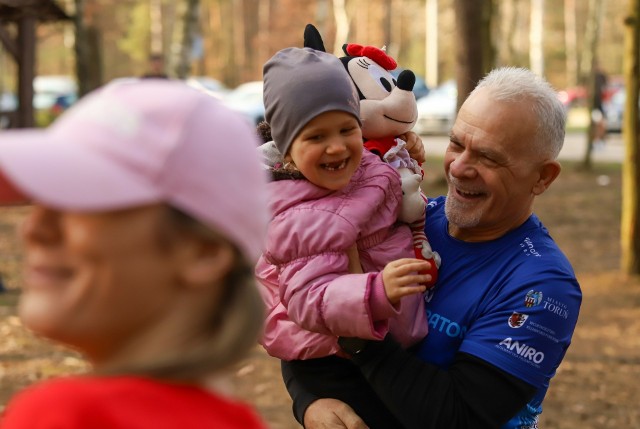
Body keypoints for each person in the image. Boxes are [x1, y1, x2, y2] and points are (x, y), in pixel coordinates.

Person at [282, 67, 583, 429]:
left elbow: (459, 416)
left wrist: (357, 326)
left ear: (542, 177)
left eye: (488, 157)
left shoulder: (542, 285)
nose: (459, 167)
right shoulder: (402, 220)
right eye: (457, 144)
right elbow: (302, 313)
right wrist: (310, 400)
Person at [0, 79, 270, 428]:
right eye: (43, 200)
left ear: (203, 252)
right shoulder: (237, 421)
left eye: (79, 199)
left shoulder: (68, 415)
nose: (34, 229)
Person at [255, 47, 433, 427]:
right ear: (287, 153)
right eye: (316, 136)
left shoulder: (365, 170)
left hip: (391, 345)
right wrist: (375, 291)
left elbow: (395, 198)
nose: (336, 146)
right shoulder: (300, 217)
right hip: (343, 364)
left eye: (346, 129)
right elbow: (309, 299)